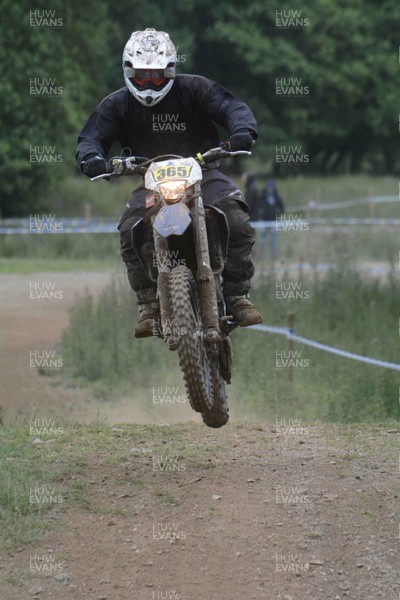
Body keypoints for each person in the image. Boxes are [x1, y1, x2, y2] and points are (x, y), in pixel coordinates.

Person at [76, 28, 262, 338]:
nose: (148, 84)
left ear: (171, 71)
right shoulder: (117, 104)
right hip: (150, 181)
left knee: (235, 214)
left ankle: (238, 294)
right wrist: (93, 159)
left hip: (204, 172)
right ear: (128, 72)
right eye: (141, 76)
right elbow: (91, 137)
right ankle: (149, 303)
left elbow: (231, 106)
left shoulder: (194, 89)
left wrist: (242, 132)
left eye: (156, 76)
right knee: (129, 229)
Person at [259, 180, 285, 261]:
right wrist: (261, 213)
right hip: (264, 221)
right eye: (269, 187)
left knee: (273, 240)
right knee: (262, 239)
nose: (270, 189)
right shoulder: (262, 197)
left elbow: (282, 208)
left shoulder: (277, 197)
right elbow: (258, 207)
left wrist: (278, 214)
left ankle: (273, 256)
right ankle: (262, 256)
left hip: (274, 221)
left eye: (271, 188)